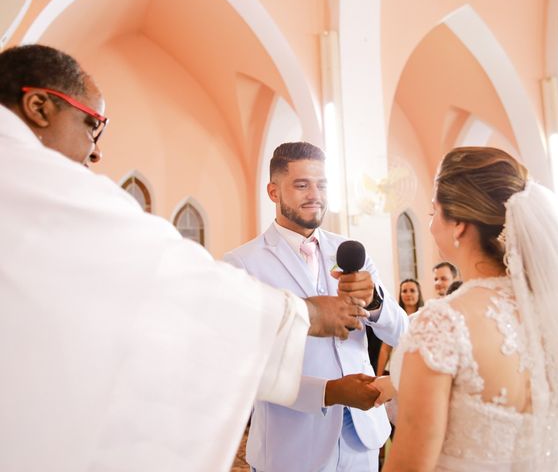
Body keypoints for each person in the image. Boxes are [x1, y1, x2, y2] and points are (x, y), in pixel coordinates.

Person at [0, 44, 369, 472]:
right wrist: (302, 315)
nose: (97, 151)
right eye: (93, 125)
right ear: (39, 106)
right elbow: (164, 274)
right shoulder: (35, 178)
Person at [378, 147, 558, 471]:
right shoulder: (557, 318)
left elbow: (409, 467)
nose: (431, 225)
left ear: (458, 224)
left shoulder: (443, 322)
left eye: (433, 213)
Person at [224, 142, 409, 472]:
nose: (315, 195)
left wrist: (376, 302)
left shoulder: (352, 252)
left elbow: (403, 332)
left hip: (363, 439)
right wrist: (330, 392)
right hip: (291, 446)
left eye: (322, 184)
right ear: (273, 191)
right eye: (301, 185)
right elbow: (247, 367)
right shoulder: (242, 264)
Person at [376, 278, 424, 376]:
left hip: (419, 371)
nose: (408, 294)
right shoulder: (394, 318)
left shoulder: (426, 316)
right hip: (396, 371)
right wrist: (378, 376)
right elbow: (385, 350)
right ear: (400, 295)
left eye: (412, 290)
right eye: (404, 291)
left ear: (419, 294)